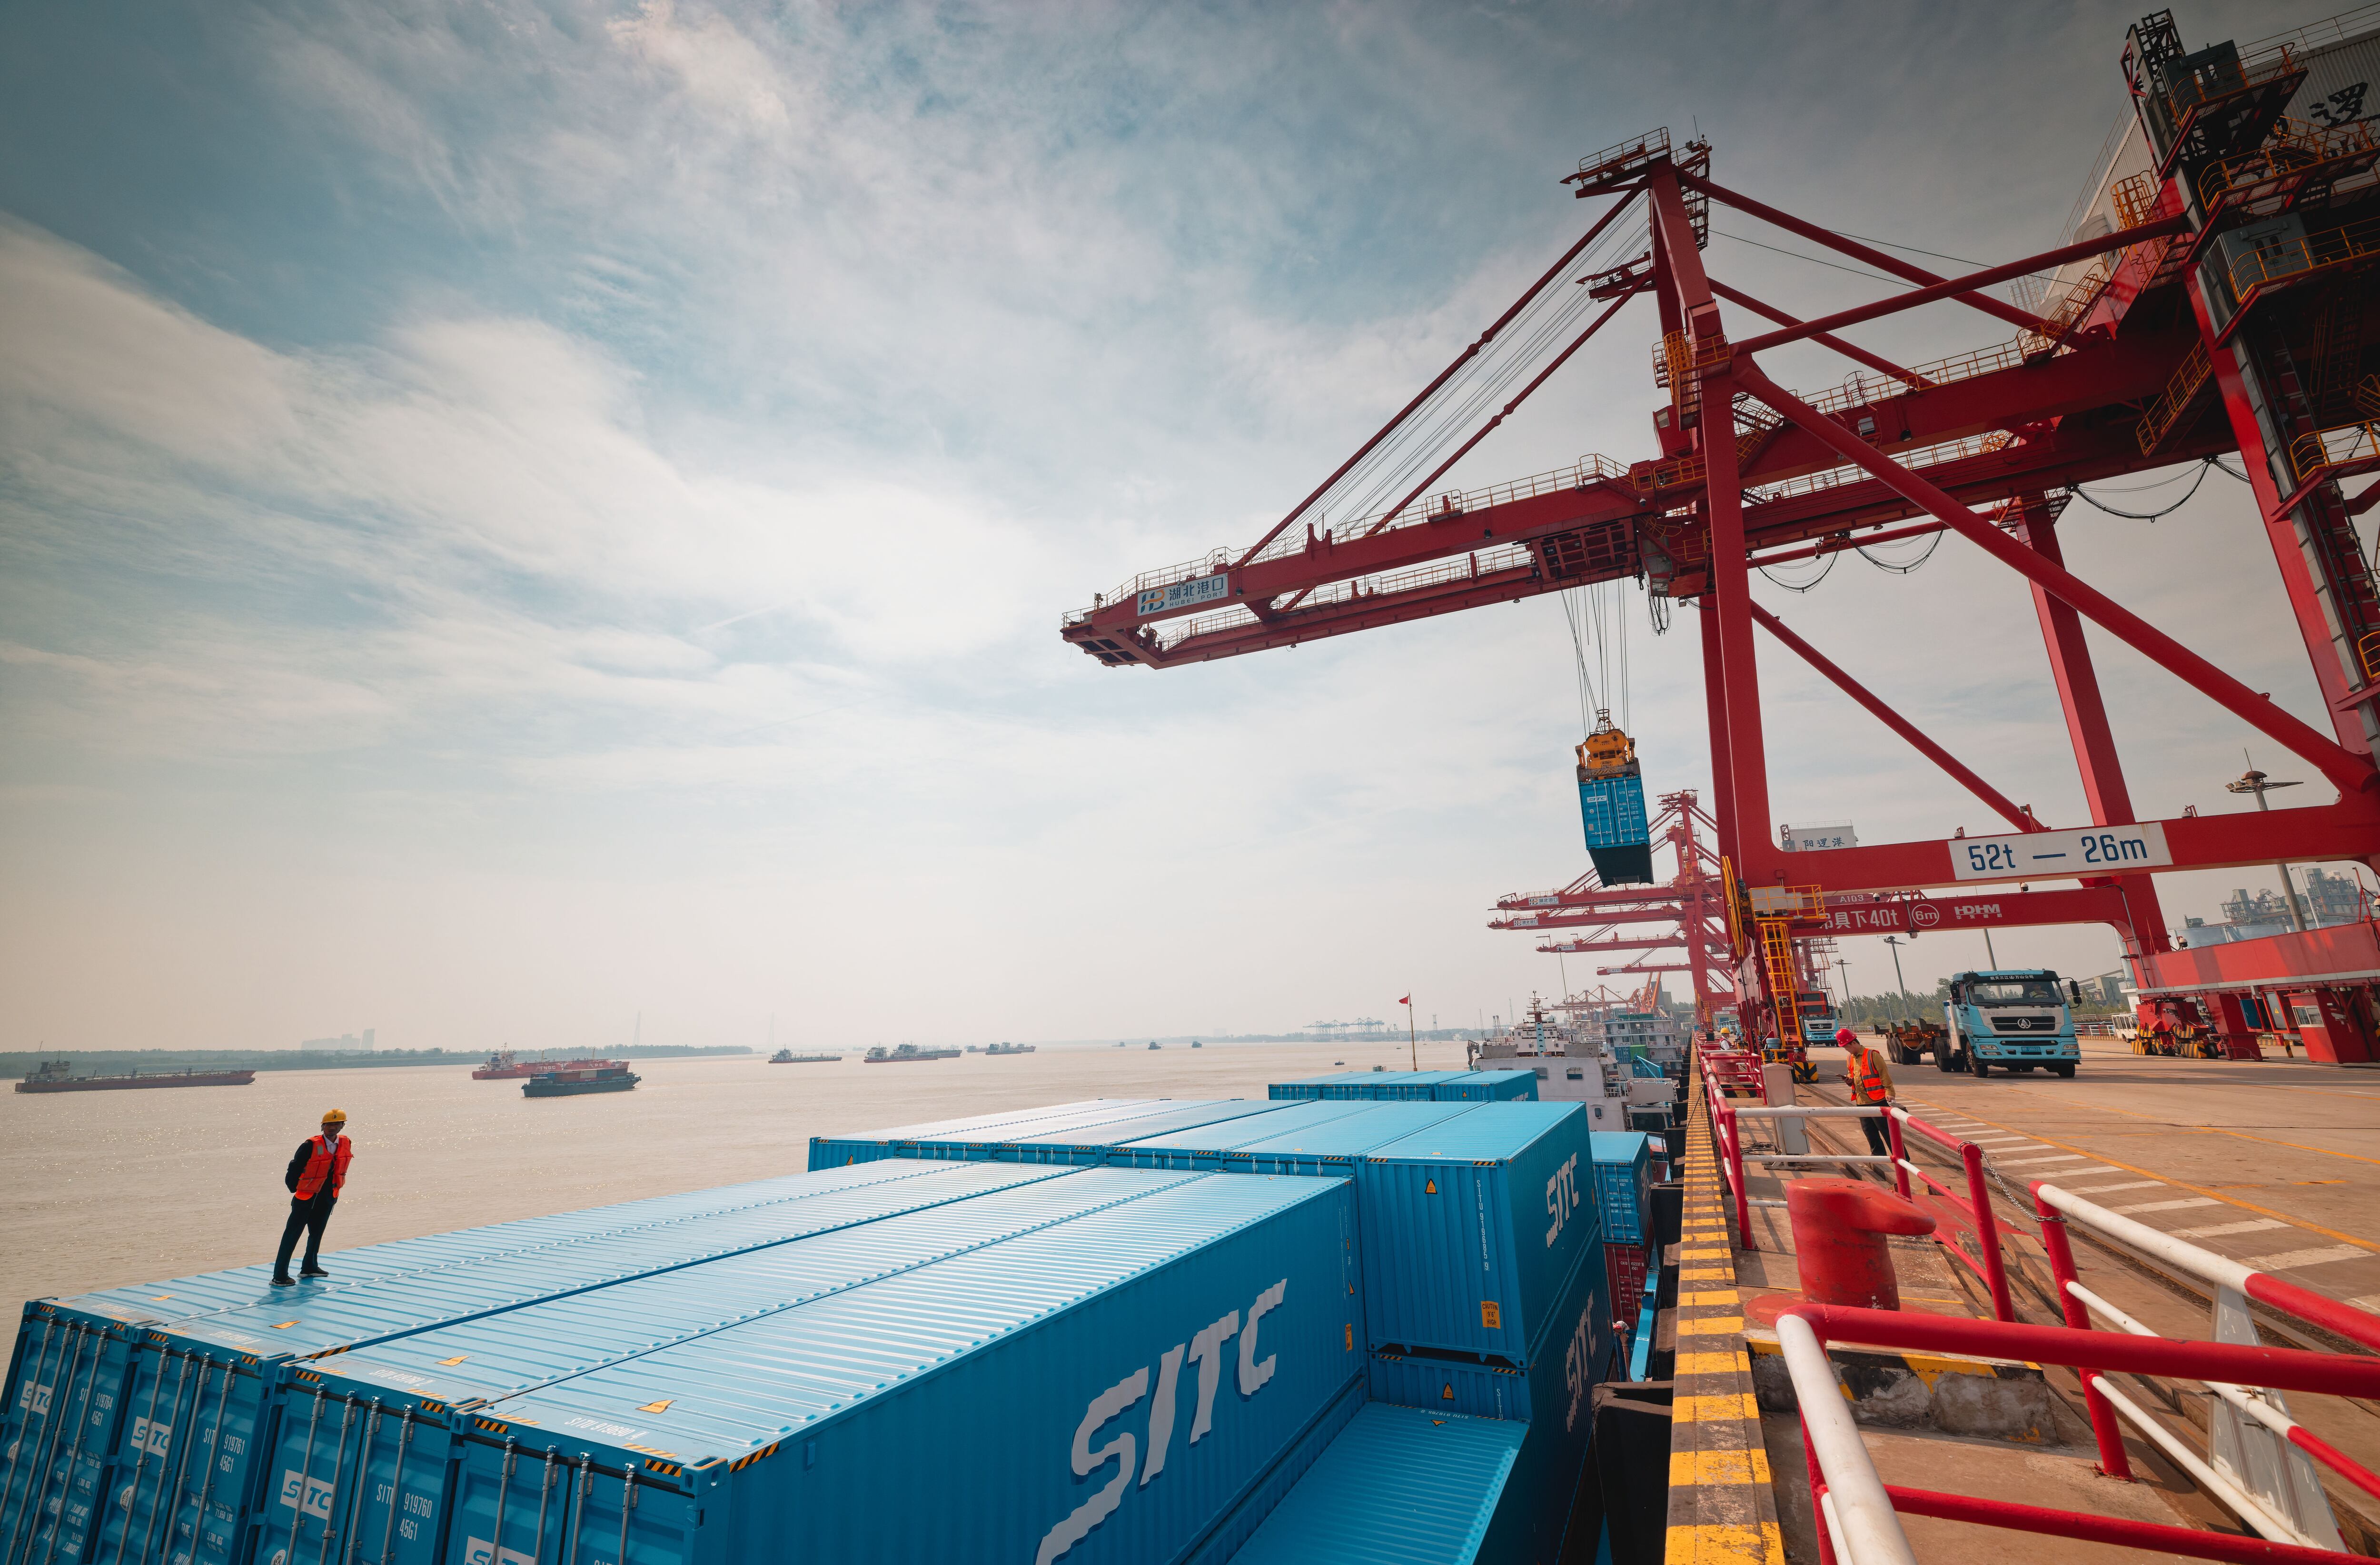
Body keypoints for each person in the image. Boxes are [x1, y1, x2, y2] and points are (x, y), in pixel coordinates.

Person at [272, 1109, 353, 1286]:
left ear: (342, 1126)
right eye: (328, 1125)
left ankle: (309, 1267)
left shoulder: (345, 1143)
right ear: (322, 1126)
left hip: (328, 1196)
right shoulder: (309, 1145)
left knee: (316, 1234)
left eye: (336, 1124)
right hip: (305, 1198)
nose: (332, 1128)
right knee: (292, 1235)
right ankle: (279, 1276)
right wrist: (294, 1189)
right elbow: (293, 1169)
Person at [1837, 1027, 1894, 1157]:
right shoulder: (1850, 1058)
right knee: (1869, 1130)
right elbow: (1853, 1074)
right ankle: (1878, 1154)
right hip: (1861, 1100)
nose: (1846, 1050)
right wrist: (1849, 1080)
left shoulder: (1873, 1055)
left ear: (1853, 1043)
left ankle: (1901, 1157)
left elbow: (1884, 1075)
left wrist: (1890, 1092)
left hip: (1877, 1100)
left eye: (1847, 1047)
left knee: (1887, 1131)